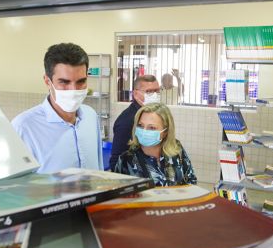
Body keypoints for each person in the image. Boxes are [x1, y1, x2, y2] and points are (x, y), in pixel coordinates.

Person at [12, 43, 102, 173]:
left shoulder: (90, 116)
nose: (73, 90)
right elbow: (15, 186)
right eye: (64, 82)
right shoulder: (24, 127)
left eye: (81, 81)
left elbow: (98, 169)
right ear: (48, 81)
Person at [113, 103, 197, 186]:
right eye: (140, 126)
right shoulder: (126, 160)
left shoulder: (176, 148)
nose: (144, 131)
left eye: (152, 128)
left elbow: (191, 180)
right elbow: (119, 193)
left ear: (165, 132)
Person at [109, 74, 160, 170]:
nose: (154, 95)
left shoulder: (153, 114)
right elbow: (116, 160)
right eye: (149, 92)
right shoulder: (127, 121)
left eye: (157, 91)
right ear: (136, 94)